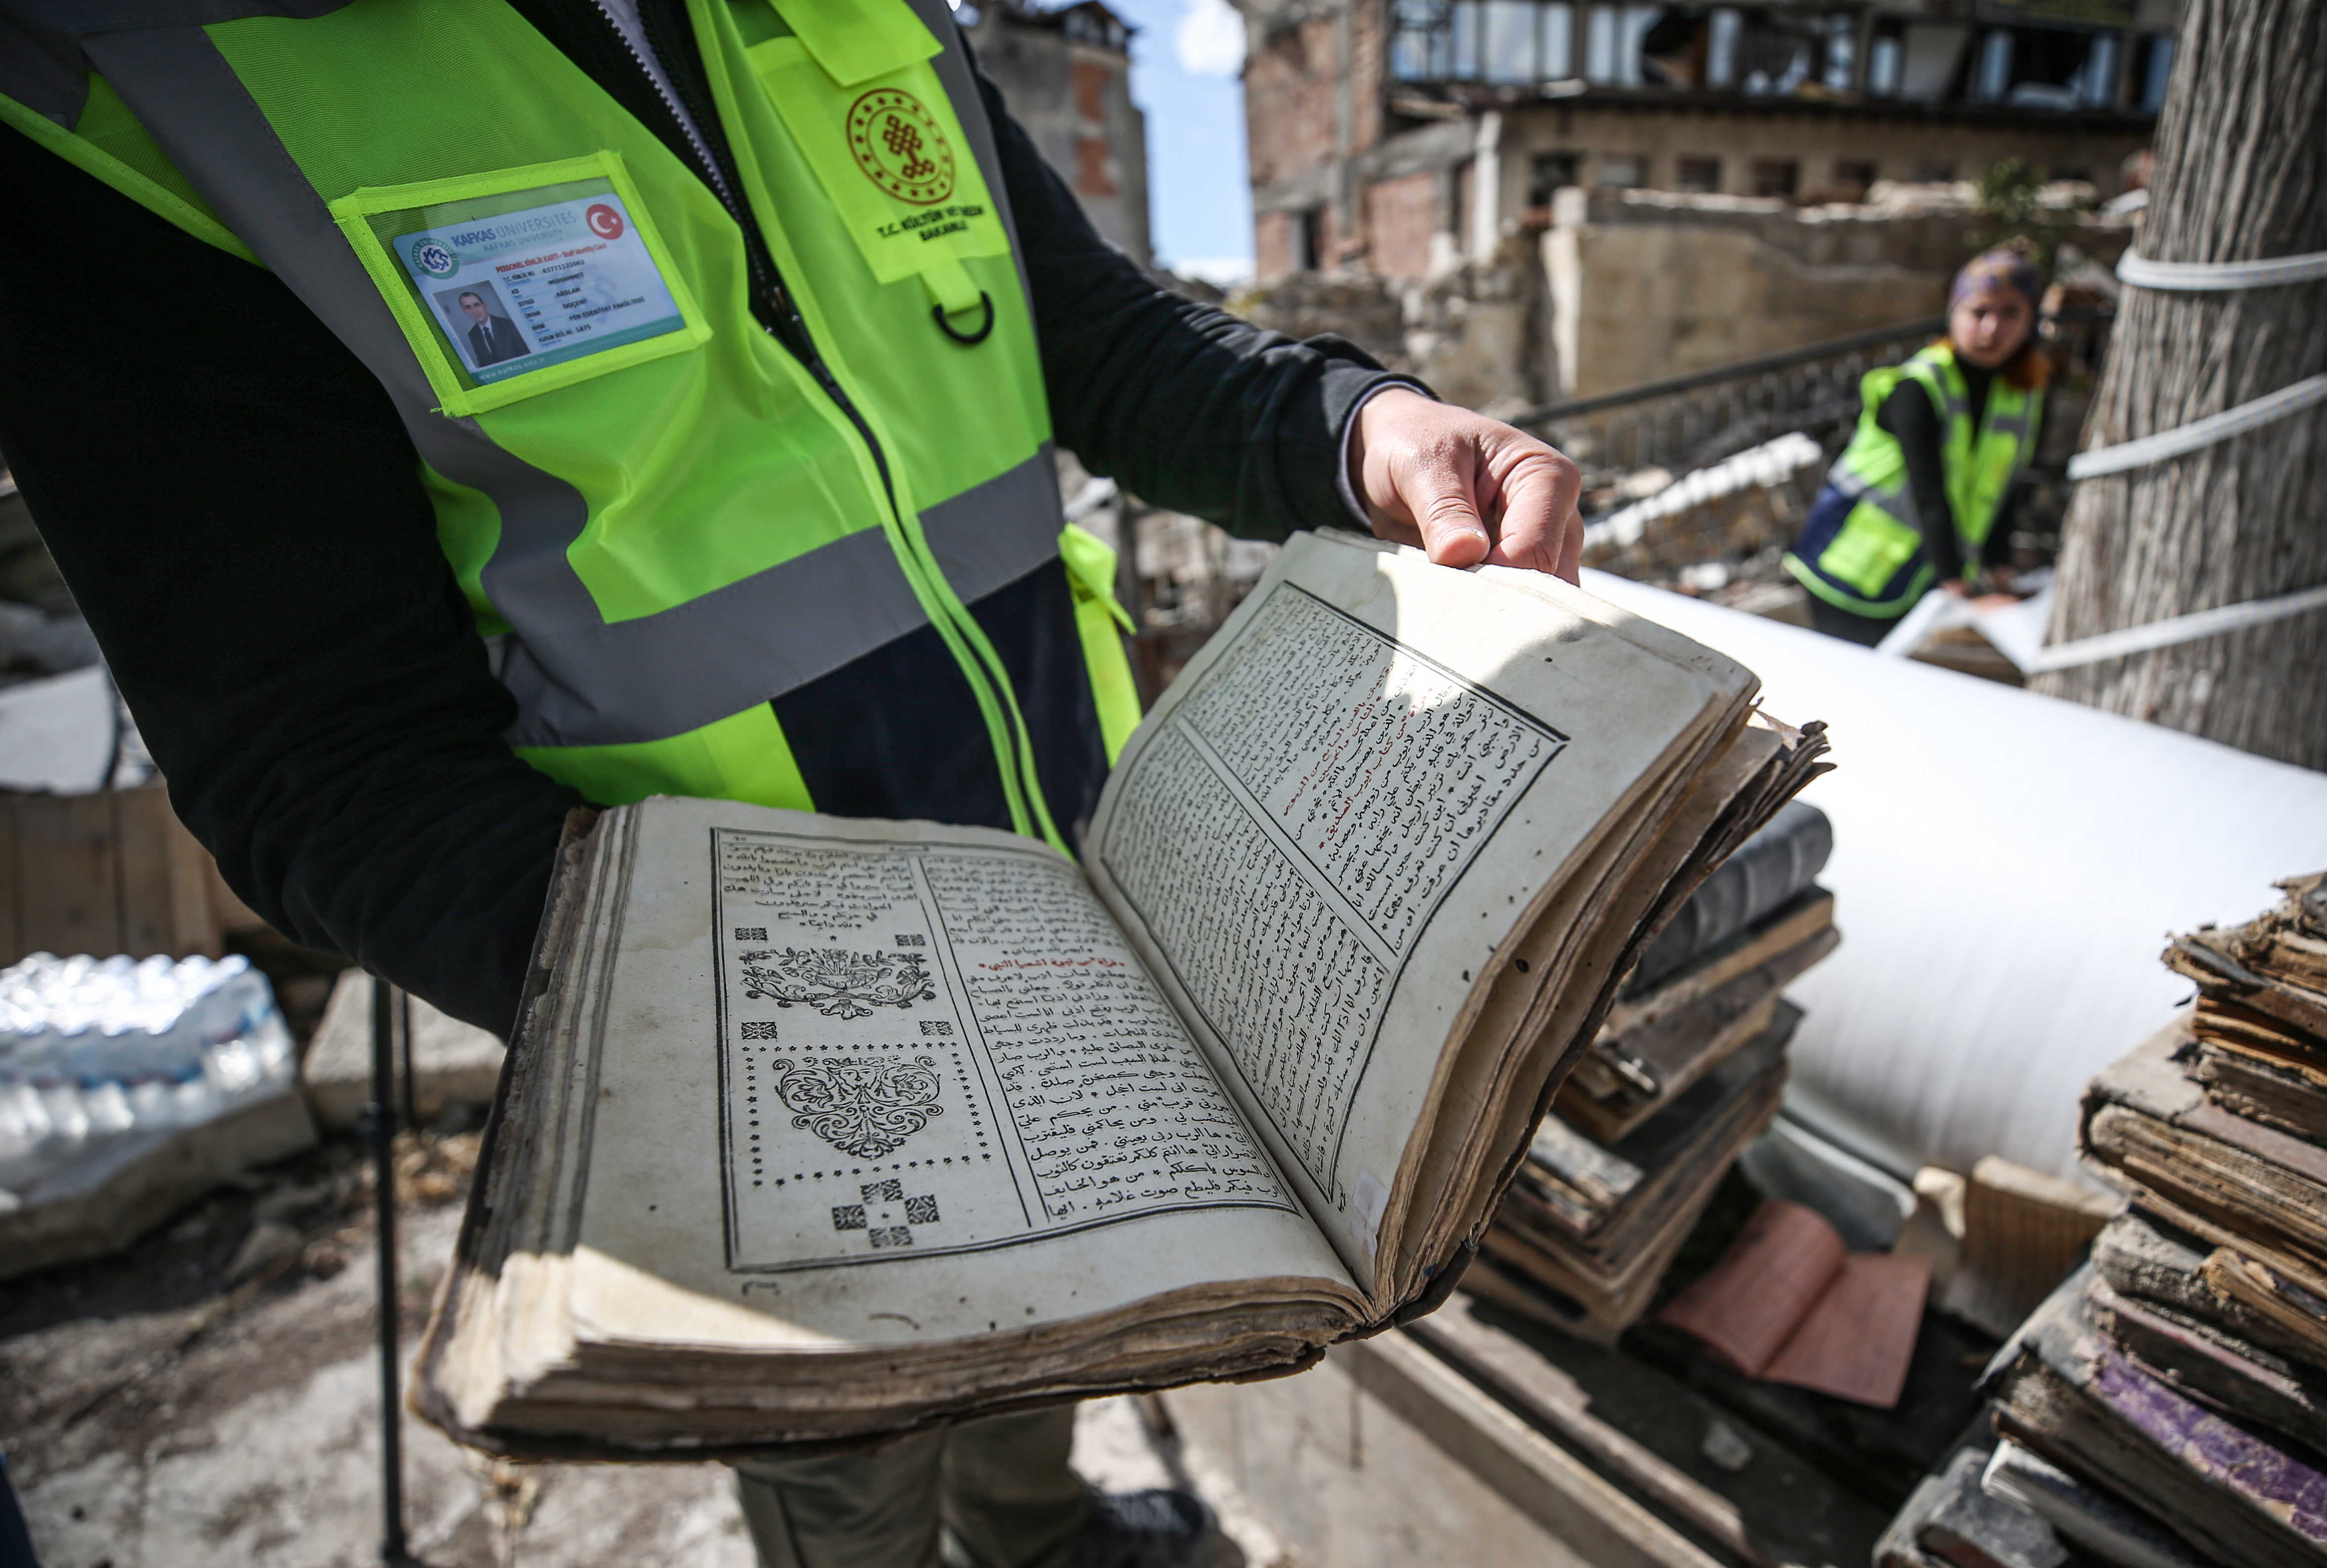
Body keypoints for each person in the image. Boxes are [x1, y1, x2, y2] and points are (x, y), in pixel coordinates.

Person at [0, 3, 1581, 1567]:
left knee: (1075, 1321)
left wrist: (1348, 421)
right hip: (754, 1025)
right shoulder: (133, 82)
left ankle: (1036, 1526)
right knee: (849, 1433)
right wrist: (724, 1002)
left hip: (1072, 886)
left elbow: (1081, 335)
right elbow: (322, 760)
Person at [1784, 249, 2051, 646]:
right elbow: (1930, 492)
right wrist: (1958, 584)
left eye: (2011, 313)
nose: (1992, 328)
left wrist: (1998, 572)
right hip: (1853, 566)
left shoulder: (2020, 394)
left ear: (2032, 320)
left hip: (1921, 571)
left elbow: (2003, 490)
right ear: (1954, 313)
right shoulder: (1919, 387)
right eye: (1979, 312)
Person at [457, 289, 526, 367]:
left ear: (485, 306)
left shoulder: (508, 324)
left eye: (477, 305)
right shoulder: (473, 334)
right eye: (468, 307)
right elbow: (483, 363)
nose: (474, 311)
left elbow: (526, 353)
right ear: (465, 311)